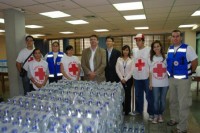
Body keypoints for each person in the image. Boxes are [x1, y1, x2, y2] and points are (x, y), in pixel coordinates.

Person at [166, 30, 198, 133]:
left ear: (181, 38)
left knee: (183, 103)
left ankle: (182, 127)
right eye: (173, 36)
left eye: (177, 36)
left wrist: (189, 73)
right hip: (172, 79)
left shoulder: (188, 48)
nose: (175, 38)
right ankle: (174, 119)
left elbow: (194, 62)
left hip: (183, 80)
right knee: (172, 100)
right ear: (171, 38)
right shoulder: (170, 49)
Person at [132, 33, 154, 120]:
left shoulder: (149, 49)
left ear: (143, 41)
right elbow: (133, 63)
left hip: (146, 76)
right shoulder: (134, 50)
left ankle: (151, 113)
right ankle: (138, 110)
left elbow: (151, 64)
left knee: (149, 96)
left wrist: (150, 76)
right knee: (138, 95)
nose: (137, 42)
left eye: (139, 40)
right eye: (136, 41)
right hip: (137, 77)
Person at [148, 40, 169, 124]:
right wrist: (150, 83)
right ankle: (156, 115)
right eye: (154, 47)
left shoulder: (166, 57)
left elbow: (169, 69)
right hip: (155, 83)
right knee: (156, 100)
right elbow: (150, 72)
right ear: (152, 49)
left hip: (165, 83)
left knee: (163, 100)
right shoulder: (151, 58)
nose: (156, 48)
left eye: (158, 46)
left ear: (161, 47)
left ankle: (161, 114)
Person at [116, 45, 134, 115]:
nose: (125, 51)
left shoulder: (131, 60)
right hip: (120, 79)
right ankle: (122, 109)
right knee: (121, 95)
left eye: (127, 50)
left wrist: (125, 79)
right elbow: (117, 69)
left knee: (128, 95)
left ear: (129, 51)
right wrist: (121, 78)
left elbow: (131, 71)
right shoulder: (119, 59)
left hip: (128, 80)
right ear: (122, 51)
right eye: (124, 50)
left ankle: (128, 110)